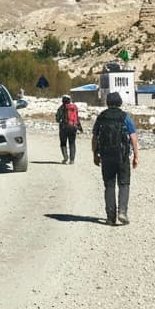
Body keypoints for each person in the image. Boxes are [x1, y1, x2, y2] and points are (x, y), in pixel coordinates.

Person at [91, 92, 140, 225]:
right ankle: (122, 212)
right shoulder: (125, 117)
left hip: (106, 157)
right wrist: (136, 156)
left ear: (107, 102)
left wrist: (95, 154)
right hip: (122, 156)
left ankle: (110, 217)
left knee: (109, 185)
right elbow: (133, 137)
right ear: (120, 102)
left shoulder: (101, 117)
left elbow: (95, 137)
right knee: (124, 184)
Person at [55, 95, 81, 164]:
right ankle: (72, 160)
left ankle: (65, 158)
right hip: (73, 127)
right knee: (72, 143)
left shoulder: (61, 107)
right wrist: (79, 127)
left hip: (64, 128)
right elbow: (77, 118)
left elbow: (57, 119)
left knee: (63, 143)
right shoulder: (74, 107)